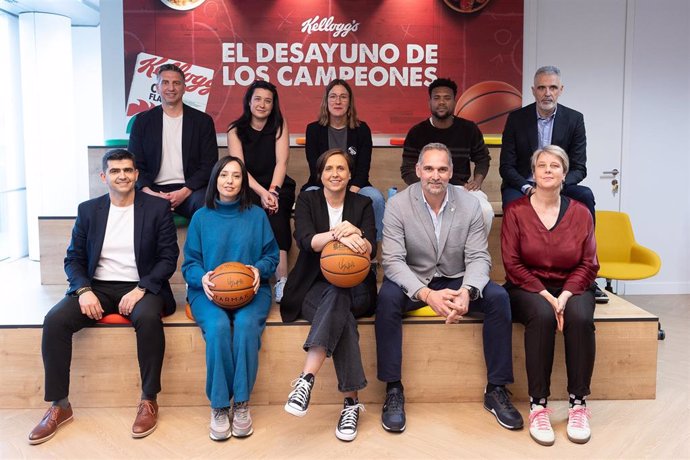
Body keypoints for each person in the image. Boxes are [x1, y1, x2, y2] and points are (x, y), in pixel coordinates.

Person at [28, 149, 179, 444]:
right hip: (97, 287)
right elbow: (73, 259)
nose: (122, 175)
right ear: (103, 177)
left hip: (141, 285)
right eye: (114, 171)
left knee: (148, 318)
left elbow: (168, 257)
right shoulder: (88, 210)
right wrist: (84, 290)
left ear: (136, 175)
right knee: (55, 320)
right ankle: (60, 405)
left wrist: (141, 288)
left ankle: (149, 400)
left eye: (127, 170)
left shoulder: (156, 209)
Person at [376, 142, 523, 433]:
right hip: (416, 279)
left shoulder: (470, 204)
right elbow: (392, 261)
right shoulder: (397, 205)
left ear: (452, 172)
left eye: (442, 169)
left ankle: (496, 389)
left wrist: (468, 291)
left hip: (456, 278)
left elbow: (479, 256)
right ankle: (393, 389)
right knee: (387, 298)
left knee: (498, 298)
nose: (435, 175)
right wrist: (426, 294)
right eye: (429, 168)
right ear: (418, 170)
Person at [501, 145, 598, 446]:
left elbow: (589, 263)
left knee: (580, 317)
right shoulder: (515, 211)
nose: (547, 170)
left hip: (572, 285)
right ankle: (538, 405)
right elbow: (512, 263)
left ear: (564, 174)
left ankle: (578, 403)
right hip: (528, 286)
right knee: (542, 317)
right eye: (541, 165)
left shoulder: (581, 213)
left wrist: (566, 295)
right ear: (533, 172)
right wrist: (546, 294)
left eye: (554, 166)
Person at [281, 149, 377, 442]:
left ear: (350, 175)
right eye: (329, 169)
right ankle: (351, 403)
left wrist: (358, 232)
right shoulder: (308, 200)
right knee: (340, 309)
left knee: (341, 293)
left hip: (358, 288)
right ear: (320, 174)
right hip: (312, 289)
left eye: (341, 168)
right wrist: (340, 233)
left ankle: (306, 379)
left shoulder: (363, 203)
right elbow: (307, 241)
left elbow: (370, 247)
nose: (335, 173)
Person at [182, 156, 279, 441]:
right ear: (215, 179)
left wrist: (258, 269)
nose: (230, 181)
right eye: (224, 175)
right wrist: (202, 277)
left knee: (247, 326)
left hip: (252, 290)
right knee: (219, 328)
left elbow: (271, 257)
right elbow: (189, 264)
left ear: (243, 181)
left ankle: (242, 404)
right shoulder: (201, 217)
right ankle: (220, 406)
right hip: (208, 291)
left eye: (237, 176)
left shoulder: (256, 215)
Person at [499, 65, 607, 303]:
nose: (547, 93)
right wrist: (530, 188)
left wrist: (555, 184)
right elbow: (506, 167)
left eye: (552, 88)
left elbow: (580, 167)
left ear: (561, 90)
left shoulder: (574, 119)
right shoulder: (516, 119)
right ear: (533, 91)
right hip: (522, 185)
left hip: (559, 184)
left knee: (586, 195)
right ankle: (515, 276)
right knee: (511, 203)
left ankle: (586, 276)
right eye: (541, 88)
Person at [227, 80, 295, 303]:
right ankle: (248, 276)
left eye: (268, 100)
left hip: (277, 184)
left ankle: (282, 281)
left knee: (277, 214)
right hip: (247, 185)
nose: (262, 105)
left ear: (273, 104)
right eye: (258, 99)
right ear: (249, 101)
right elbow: (240, 169)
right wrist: (261, 193)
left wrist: (272, 192)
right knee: (249, 213)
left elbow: (281, 163)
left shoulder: (280, 125)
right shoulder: (235, 130)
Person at [400, 77, 494, 234]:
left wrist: (477, 181)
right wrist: (424, 186)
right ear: (429, 102)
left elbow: (482, 158)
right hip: (426, 187)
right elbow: (407, 169)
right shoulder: (417, 132)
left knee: (484, 210)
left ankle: (476, 254)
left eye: (447, 98)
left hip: (460, 188)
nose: (442, 102)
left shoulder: (469, 128)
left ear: (455, 102)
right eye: (436, 98)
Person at [129, 63, 218, 219]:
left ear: (184, 87)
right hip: (152, 189)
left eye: (176, 83)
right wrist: (148, 192)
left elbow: (209, 164)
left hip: (191, 190)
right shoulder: (142, 121)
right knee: (134, 207)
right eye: (165, 82)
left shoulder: (203, 121)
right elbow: (134, 164)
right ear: (156, 87)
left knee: (209, 206)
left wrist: (185, 191)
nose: (171, 88)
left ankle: (199, 245)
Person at [304, 79, 386, 241]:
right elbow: (316, 169)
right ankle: (315, 246)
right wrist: (334, 190)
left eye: (343, 97)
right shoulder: (313, 130)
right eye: (333, 96)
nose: (338, 101)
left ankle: (371, 252)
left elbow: (363, 169)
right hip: (323, 185)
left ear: (350, 102)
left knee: (375, 197)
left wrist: (349, 193)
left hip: (355, 186)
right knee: (308, 194)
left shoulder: (362, 129)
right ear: (326, 101)